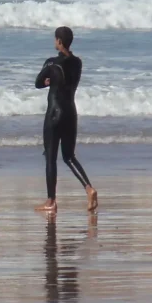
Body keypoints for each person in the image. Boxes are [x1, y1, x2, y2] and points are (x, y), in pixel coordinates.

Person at [35, 26, 98, 214]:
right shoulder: (78, 63)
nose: (55, 42)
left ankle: (51, 201)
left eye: (55, 40)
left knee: (50, 157)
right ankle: (89, 188)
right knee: (69, 156)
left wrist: (47, 81)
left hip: (54, 114)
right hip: (71, 113)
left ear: (59, 42)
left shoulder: (51, 64)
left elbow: (38, 82)